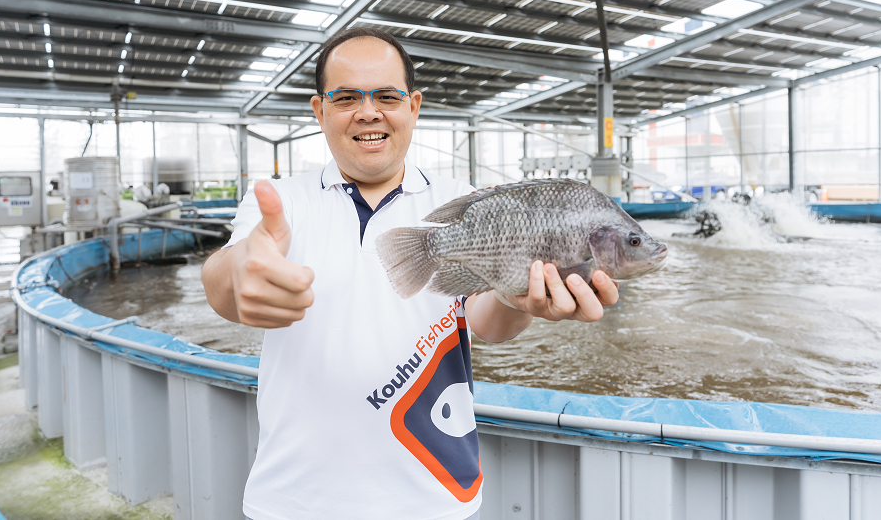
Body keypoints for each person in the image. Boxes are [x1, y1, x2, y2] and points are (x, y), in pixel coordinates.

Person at [202, 27, 619, 520]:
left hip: (436, 495)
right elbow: (225, 278)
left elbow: (485, 321)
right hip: (293, 500)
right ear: (319, 111)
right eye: (346, 98)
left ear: (414, 106)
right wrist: (238, 276)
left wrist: (518, 299)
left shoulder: (460, 201)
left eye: (386, 96)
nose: (368, 112)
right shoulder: (280, 200)